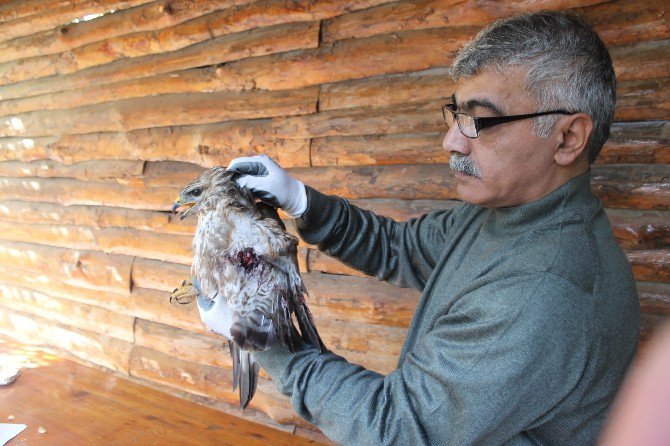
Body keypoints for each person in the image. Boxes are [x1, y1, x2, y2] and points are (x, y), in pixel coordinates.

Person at [199, 11, 641, 445]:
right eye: (455, 113)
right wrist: (300, 199)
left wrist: (265, 339)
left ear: (567, 138)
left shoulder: (542, 292)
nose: (452, 140)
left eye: (480, 120)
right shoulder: (504, 212)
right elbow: (400, 248)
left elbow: (396, 430)